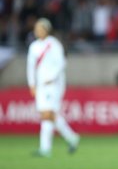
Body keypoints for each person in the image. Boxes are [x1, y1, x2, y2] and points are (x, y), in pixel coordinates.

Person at [27, 18, 80, 157]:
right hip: (40, 85)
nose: (38, 31)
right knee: (51, 115)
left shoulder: (54, 44)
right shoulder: (33, 46)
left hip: (53, 85)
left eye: (40, 28)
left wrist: (52, 78)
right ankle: (72, 137)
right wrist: (32, 83)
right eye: (36, 28)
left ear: (46, 29)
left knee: (47, 114)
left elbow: (62, 63)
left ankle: (45, 149)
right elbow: (30, 67)